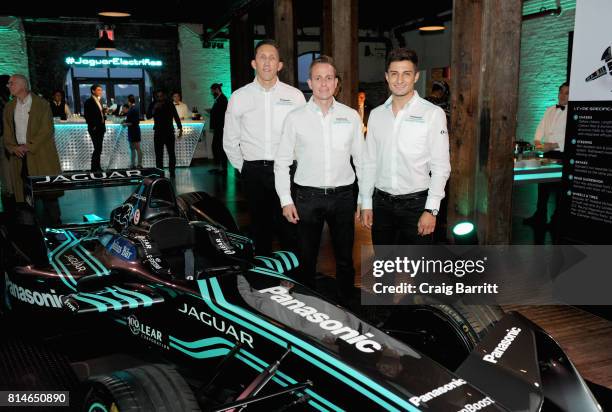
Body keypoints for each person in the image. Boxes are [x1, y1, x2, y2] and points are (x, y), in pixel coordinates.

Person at [275, 56, 364, 301]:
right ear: (309, 83)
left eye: (328, 78)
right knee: (306, 260)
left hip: (344, 197)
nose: (323, 83)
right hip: (307, 198)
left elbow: (362, 161)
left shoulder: (351, 117)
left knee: (345, 260)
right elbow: (282, 162)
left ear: (336, 83)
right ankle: (307, 308)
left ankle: (348, 309)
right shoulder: (295, 118)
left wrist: (365, 199)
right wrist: (285, 199)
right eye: (318, 78)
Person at [360, 48, 451, 247]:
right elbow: (369, 162)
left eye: (406, 73)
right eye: (394, 73)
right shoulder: (376, 115)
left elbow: (441, 167)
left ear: (416, 76)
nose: (399, 79)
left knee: (420, 272)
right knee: (384, 271)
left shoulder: (433, 114)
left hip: (417, 206)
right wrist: (366, 202)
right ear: (386, 77)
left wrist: (431, 210)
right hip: (382, 205)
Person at [223, 39, 306, 256]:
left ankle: (292, 278)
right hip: (254, 171)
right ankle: (263, 279)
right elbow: (230, 140)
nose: (267, 62)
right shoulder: (240, 97)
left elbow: (303, 136)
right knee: (260, 229)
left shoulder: (295, 96)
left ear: (280, 65)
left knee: (290, 227)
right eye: (262, 57)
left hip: (287, 170)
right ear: (254, 63)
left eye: (272, 58)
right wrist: (245, 168)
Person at [2, 74, 62, 225]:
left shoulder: (42, 104)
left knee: (48, 194)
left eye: (11, 83)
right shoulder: (9, 107)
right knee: (23, 194)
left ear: (22, 85)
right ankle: (30, 232)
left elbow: (47, 130)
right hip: (20, 157)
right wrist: (13, 147)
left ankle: (55, 229)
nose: (8, 86)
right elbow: (7, 132)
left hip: (41, 155)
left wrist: (29, 146)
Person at [523, 82, 569, 228]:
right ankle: (540, 215)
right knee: (543, 186)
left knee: (560, 189)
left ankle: (557, 219)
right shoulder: (549, 109)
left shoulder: (574, 112)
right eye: (561, 92)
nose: (562, 95)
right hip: (547, 153)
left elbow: (571, 134)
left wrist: (553, 145)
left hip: (562, 153)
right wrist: (537, 141)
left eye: (566, 93)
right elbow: (540, 128)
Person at [147, 90, 182, 178]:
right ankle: (160, 173)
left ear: (164, 96)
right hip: (158, 132)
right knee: (159, 154)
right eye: (157, 96)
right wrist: (154, 108)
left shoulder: (169, 103)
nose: (159, 98)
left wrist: (180, 127)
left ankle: (172, 172)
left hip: (169, 131)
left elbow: (176, 116)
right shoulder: (153, 104)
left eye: (161, 96)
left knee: (171, 153)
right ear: (156, 97)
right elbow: (148, 116)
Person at [83, 84, 106, 172]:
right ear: (93, 91)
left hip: (101, 128)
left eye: (101, 90)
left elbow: (99, 114)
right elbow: (87, 116)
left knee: (99, 148)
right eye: (99, 90)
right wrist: (94, 126)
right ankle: (94, 167)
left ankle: (97, 167)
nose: (100, 91)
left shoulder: (100, 101)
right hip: (95, 128)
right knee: (97, 148)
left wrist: (104, 113)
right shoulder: (89, 101)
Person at [208, 83, 228, 174]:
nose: (212, 93)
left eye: (212, 91)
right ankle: (219, 166)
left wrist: (212, 111)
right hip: (218, 127)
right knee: (216, 147)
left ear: (217, 89)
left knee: (219, 147)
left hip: (221, 127)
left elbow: (222, 113)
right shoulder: (218, 99)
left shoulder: (223, 99)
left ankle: (223, 167)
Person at [0, 74, 14, 210]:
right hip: (3, 135)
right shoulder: (3, 100)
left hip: (5, 135)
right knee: (5, 162)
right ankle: (8, 190)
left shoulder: (5, 99)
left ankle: (9, 189)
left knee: (6, 163)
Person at [123, 95, 142, 168]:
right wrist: (125, 121)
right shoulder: (133, 108)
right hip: (132, 130)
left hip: (134, 130)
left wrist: (126, 123)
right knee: (132, 148)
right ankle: (133, 164)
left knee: (137, 147)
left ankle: (139, 164)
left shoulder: (134, 108)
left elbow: (135, 122)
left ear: (129, 101)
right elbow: (131, 120)